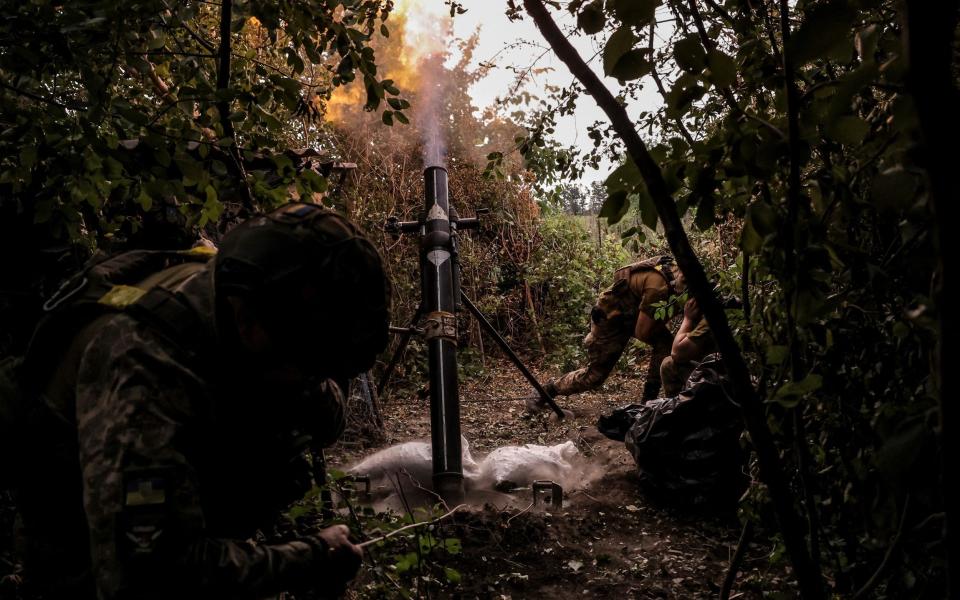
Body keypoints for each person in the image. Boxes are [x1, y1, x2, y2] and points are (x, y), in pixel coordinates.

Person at [7, 203, 390, 600]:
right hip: (88, 561)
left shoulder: (251, 301)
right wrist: (309, 558)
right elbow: (154, 577)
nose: (314, 379)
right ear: (252, 326)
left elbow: (324, 414)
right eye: (308, 364)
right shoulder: (144, 370)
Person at [531, 256, 686, 410]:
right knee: (594, 377)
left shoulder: (679, 277)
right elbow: (642, 333)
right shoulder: (659, 288)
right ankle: (548, 390)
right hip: (610, 318)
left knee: (665, 344)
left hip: (632, 315)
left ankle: (647, 402)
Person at [659, 297, 716, 397]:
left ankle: (678, 410)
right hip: (721, 373)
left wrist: (687, 319)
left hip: (722, 381)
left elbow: (677, 353)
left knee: (668, 364)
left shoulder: (712, 315)